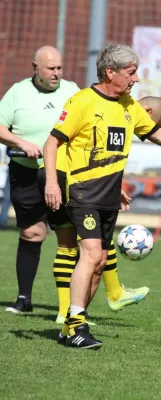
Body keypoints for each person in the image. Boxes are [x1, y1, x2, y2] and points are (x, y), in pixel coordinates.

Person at [43, 43, 161, 349]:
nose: (136, 79)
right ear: (109, 72)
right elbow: (51, 143)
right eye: (131, 72)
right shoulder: (82, 101)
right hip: (84, 192)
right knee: (91, 255)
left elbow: (160, 135)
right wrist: (51, 183)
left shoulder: (128, 105)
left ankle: (73, 325)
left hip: (109, 196)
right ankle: (75, 324)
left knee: (99, 264)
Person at [37, 96, 161, 325]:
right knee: (94, 244)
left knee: (69, 246)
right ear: (145, 110)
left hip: (50, 171)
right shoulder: (116, 110)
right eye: (155, 123)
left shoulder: (110, 109)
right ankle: (112, 294)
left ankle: (66, 313)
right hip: (67, 175)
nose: (147, 133)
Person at [0, 46, 78, 313]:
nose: (57, 73)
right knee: (32, 233)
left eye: (59, 68)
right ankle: (24, 299)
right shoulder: (18, 92)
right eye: (51, 68)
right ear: (36, 67)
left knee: (67, 235)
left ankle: (73, 307)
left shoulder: (72, 91)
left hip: (62, 172)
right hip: (26, 172)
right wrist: (20, 141)